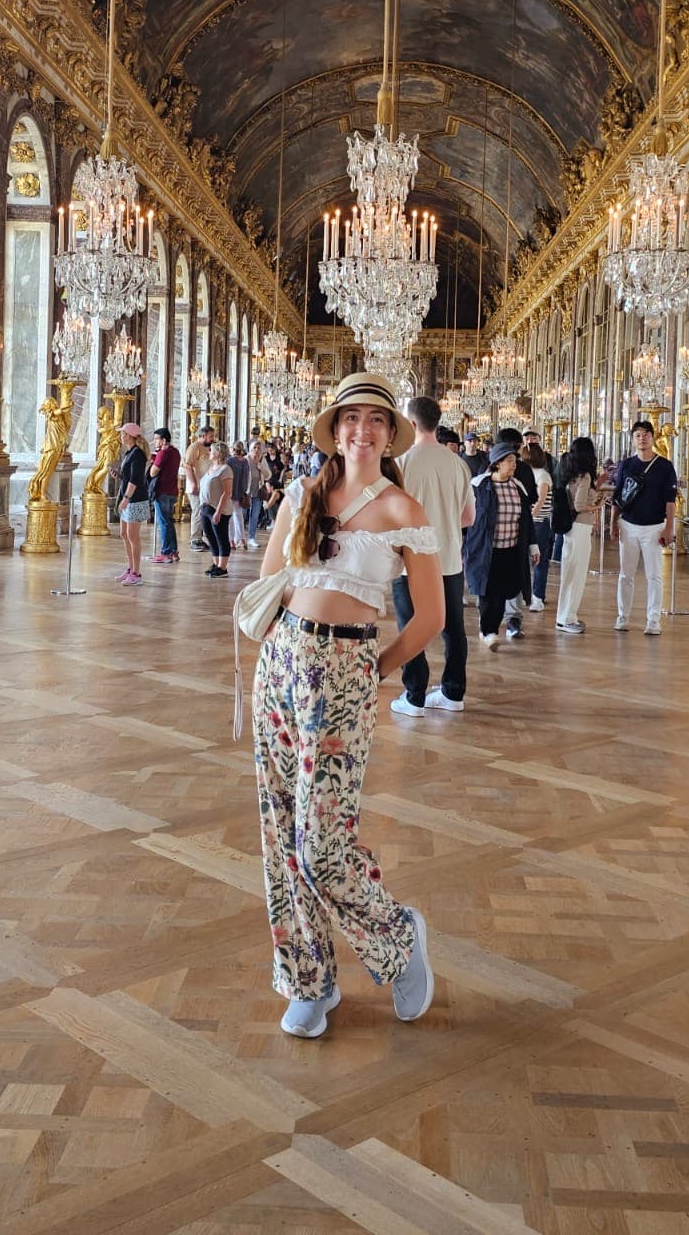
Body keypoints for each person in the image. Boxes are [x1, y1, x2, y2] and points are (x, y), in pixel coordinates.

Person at [251, 373, 443, 1039]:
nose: (361, 430)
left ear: (390, 435)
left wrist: (374, 671)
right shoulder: (304, 494)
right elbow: (271, 582)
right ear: (334, 429)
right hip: (281, 666)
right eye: (349, 418)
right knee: (282, 833)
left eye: (375, 420)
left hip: (345, 671)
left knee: (321, 845)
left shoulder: (403, 511)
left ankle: (398, 940)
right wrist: (281, 655)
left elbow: (430, 619)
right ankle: (310, 980)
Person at [391, 396, 475, 718]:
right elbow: (469, 517)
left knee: (410, 626)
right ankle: (454, 692)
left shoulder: (402, 463)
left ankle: (415, 696)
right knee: (453, 628)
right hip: (450, 559)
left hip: (410, 562)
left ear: (411, 424)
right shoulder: (458, 463)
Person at [463, 439, 537, 647]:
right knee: (488, 591)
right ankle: (488, 631)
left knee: (506, 590)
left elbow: (526, 519)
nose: (514, 464)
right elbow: (465, 518)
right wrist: (462, 546)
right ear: (497, 463)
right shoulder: (479, 486)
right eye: (510, 461)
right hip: (486, 550)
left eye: (514, 460)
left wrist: (533, 546)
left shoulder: (518, 486)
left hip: (511, 549)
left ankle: (492, 627)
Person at [610, 419, 678, 635]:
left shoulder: (665, 466)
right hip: (628, 525)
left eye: (646, 434)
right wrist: (613, 523)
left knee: (654, 575)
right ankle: (623, 617)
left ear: (653, 437)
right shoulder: (626, 465)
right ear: (633, 439)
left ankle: (653, 620)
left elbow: (670, 500)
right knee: (625, 574)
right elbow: (618, 497)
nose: (642, 438)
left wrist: (669, 527)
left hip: (654, 527)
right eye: (638, 435)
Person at [554, 436, 599, 633]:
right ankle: (567, 618)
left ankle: (566, 616)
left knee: (570, 573)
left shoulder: (570, 473)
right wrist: (596, 507)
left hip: (571, 528)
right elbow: (580, 505)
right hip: (580, 527)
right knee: (576, 574)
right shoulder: (585, 476)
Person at [496, 425, 537, 639]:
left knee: (513, 577)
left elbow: (530, 502)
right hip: (496, 536)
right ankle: (497, 620)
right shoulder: (488, 471)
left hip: (516, 534)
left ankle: (511, 618)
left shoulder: (523, 471)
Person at [115, 423, 152, 585]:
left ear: (129, 436)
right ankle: (130, 568)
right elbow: (128, 476)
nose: (120, 436)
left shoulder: (137, 454)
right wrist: (119, 475)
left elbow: (136, 479)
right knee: (124, 533)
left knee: (133, 536)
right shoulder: (129, 453)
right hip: (129, 497)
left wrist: (126, 498)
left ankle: (136, 573)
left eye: (122, 434)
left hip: (135, 499)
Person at [525, 441, 554, 612]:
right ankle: (527, 594)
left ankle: (538, 596)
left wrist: (528, 518)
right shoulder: (530, 474)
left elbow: (540, 501)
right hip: (532, 523)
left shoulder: (542, 476)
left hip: (539, 524)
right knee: (527, 561)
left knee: (540, 562)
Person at [199, 440, 234, 577]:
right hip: (206, 507)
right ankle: (215, 563)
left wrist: (218, 511)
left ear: (219, 453)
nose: (210, 452)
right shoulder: (211, 467)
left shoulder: (226, 469)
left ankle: (223, 567)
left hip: (218, 509)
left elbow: (227, 492)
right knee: (210, 537)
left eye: (212, 450)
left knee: (221, 537)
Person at [146, 427, 181, 564]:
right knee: (169, 522)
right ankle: (173, 551)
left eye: (156, 439)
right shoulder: (176, 452)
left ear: (164, 440)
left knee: (164, 523)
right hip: (172, 490)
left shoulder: (163, 453)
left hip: (162, 491)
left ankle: (166, 553)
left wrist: (152, 462)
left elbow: (153, 473)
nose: (155, 442)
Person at [183, 425, 215, 550]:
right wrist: (193, 483)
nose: (213, 438)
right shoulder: (194, 447)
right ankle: (195, 539)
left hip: (207, 487)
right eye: (210, 436)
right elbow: (187, 466)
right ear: (202, 436)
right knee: (198, 511)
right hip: (196, 486)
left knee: (205, 512)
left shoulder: (211, 448)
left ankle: (203, 538)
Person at [227, 441, 251, 549]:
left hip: (231, 490)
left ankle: (231, 540)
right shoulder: (245, 462)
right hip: (241, 491)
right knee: (239, 516)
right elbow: (247, 478)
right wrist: (244, 490)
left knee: (230, 517)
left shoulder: (230, 461)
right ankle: (242, 539)